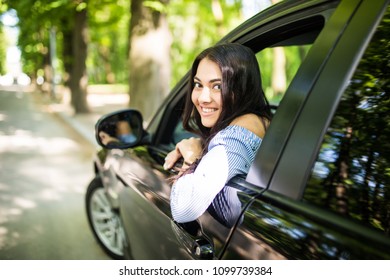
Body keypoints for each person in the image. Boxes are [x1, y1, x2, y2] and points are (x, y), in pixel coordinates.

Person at [163, 43, 272, 227]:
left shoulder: (235, 139)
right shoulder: (260, 121)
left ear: (243, 88)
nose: (203, 98)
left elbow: (182, 209)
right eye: (198, 85)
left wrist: (191, 157)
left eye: (218, 86)